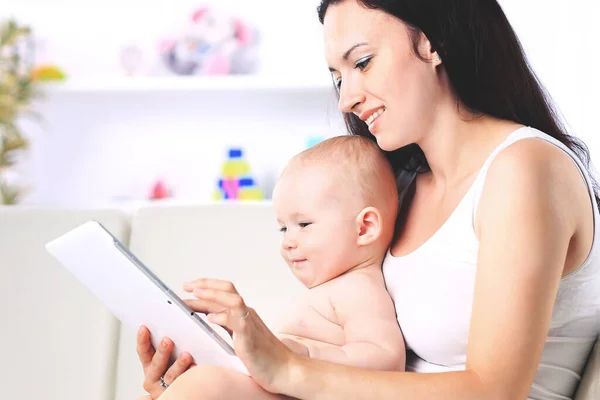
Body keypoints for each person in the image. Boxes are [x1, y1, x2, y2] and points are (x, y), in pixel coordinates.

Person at [136, 1, 600, 399]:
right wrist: (231, 373)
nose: (346, 99)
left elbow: (494, 390)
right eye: (338, 77)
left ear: (433, 42)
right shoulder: (401, 187)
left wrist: (289, 370)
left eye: (362, 63)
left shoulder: (524, 168)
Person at [137, 135, 406, 399]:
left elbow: (386, 361)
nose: (288, 241)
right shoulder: (332, 289)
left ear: (364, 228)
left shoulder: (360, 288)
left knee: (206, 384)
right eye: (283, 228)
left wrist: (301, 355)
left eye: (304, 225)